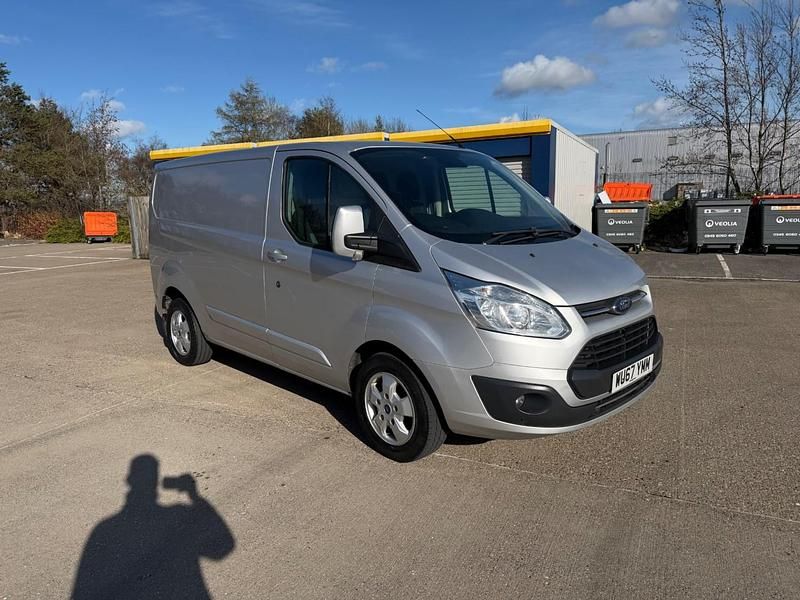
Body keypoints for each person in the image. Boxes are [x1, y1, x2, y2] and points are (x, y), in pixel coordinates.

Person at [71, 454, 235, 599]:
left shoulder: (104, 529)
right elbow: (221, 549)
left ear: (128, 480)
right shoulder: (178, 513)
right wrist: (194, 495)